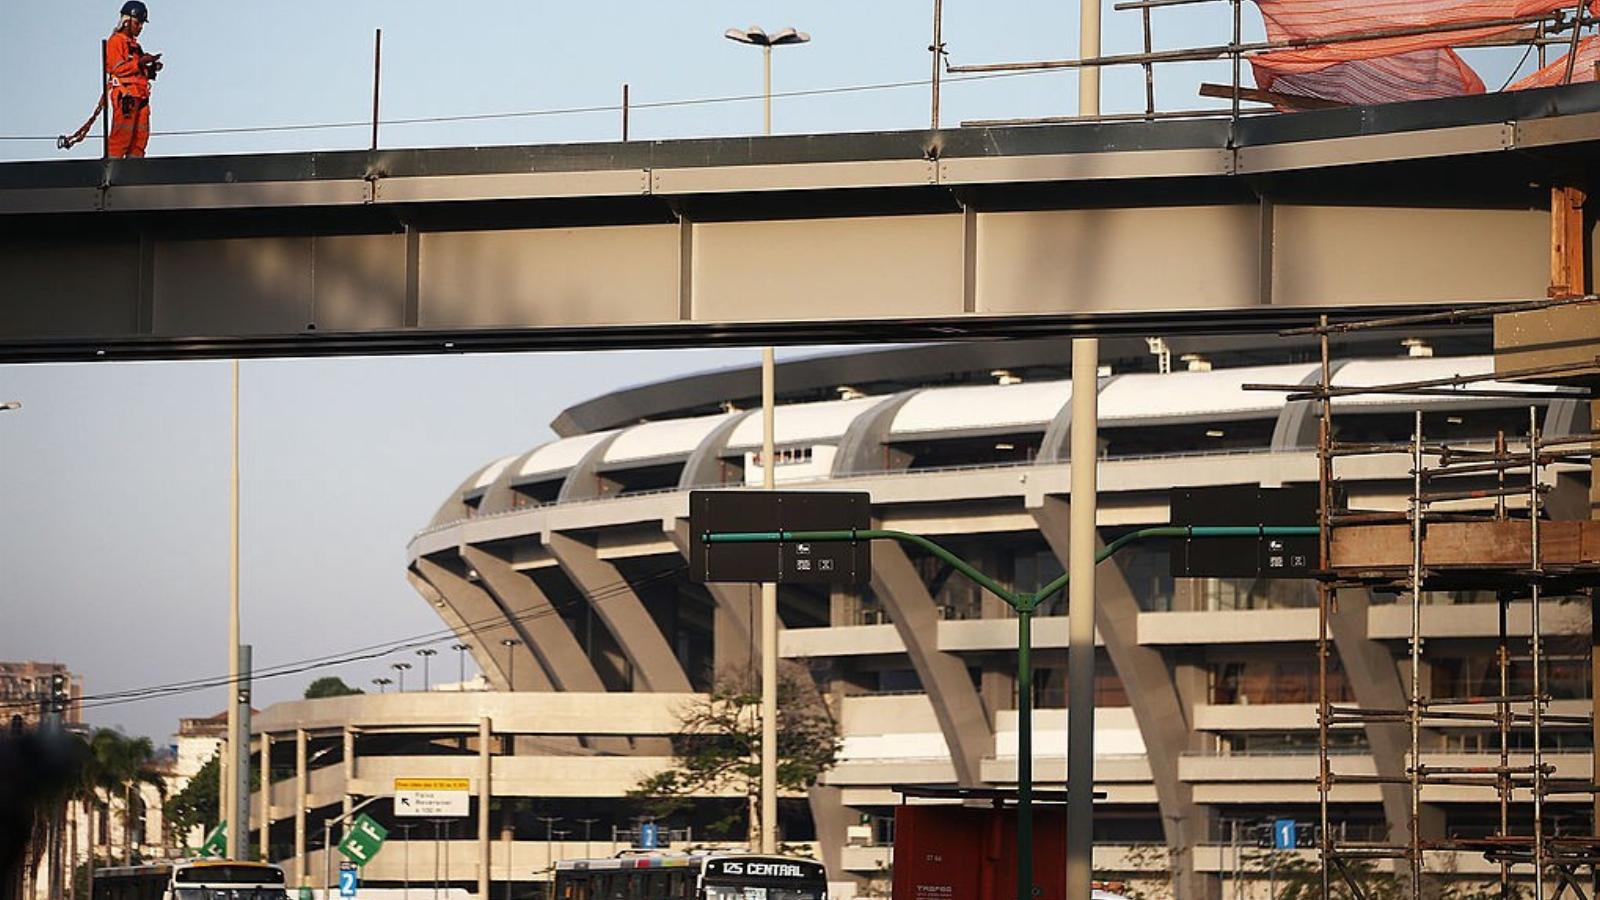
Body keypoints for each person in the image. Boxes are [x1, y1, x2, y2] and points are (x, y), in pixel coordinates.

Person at [104, 1, 161, 157]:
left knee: (139, 140)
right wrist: (140, 62)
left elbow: (134, 70)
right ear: (127, 21)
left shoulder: (135, 46)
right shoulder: (116, 41)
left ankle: (134, 173)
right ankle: (112, 172)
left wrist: (149, 69)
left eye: (142, 23)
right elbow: (117, 69)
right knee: (121, 138)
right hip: (126, 97)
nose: (141, 27)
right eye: (138, 23)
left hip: (140, 97)